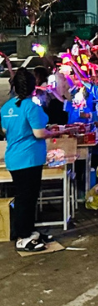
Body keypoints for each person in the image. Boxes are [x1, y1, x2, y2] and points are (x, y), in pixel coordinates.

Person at [1, 69, 52, 252]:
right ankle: (22, 236)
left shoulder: (7, 107)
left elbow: (6, 131)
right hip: (29, 158)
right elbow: (39, 133)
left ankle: (28, 230)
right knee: (26, 198)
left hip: (14, 158)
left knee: (25, 197)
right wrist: (55, 132)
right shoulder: (31, 106)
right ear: (32, 87)